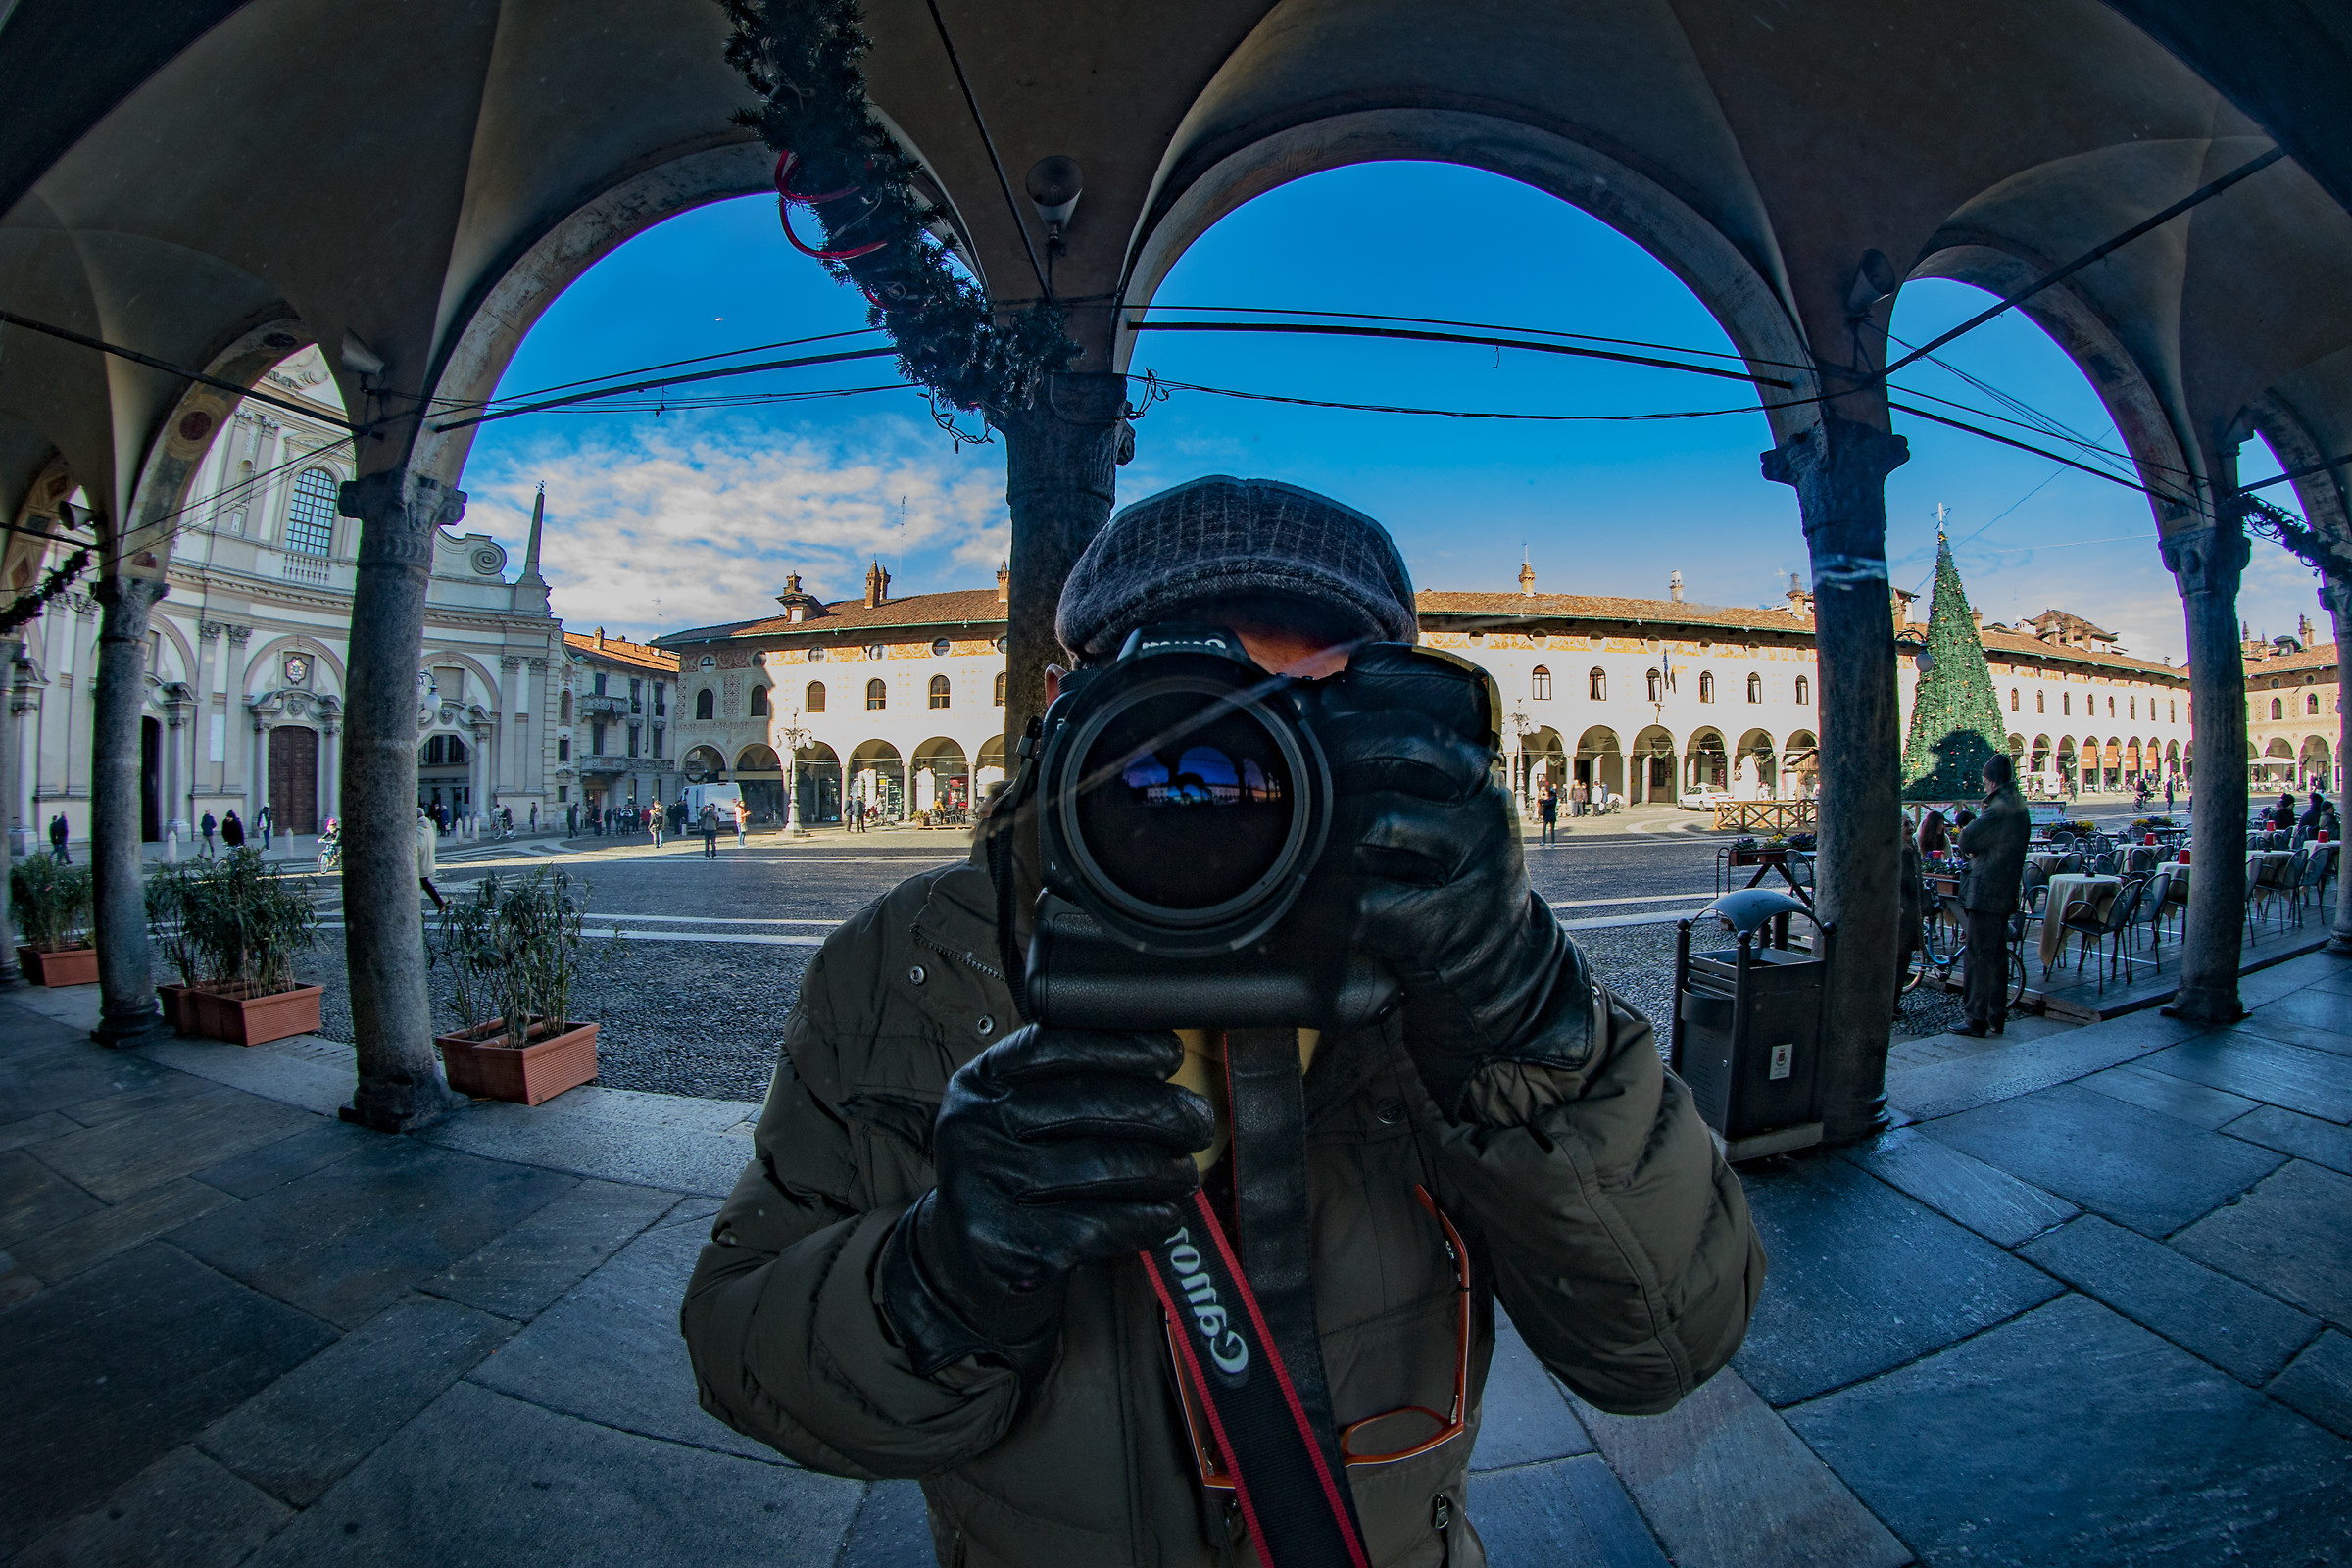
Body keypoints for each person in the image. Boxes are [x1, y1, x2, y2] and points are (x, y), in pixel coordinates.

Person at [681, 475, 1763, 1568]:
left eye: (1309, 708)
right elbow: (743, 1353)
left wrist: (1524, 1016)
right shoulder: (906, 966)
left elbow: (1663, 1346)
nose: (1249, 761)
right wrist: (937, 1278)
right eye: (1194, 706)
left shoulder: (1442, 954)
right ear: (1067, 712)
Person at [1954, 753, 2030, 1038]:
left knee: (1978, 956)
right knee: (1997, 956)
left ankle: (1976, 1018)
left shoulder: (1998, 808)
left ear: (1991, 780)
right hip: (2003, 890)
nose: (1984, 786)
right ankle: (1997, 1015)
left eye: (1985, 781)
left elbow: (1965, 838)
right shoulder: (2017, 804)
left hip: (1986, 891)